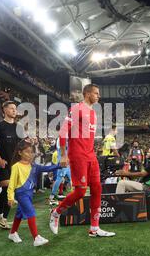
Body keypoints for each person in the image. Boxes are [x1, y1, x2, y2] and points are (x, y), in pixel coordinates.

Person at [49, 84, 115, 238]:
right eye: (96, 93)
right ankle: (56, 212)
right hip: (77, 155)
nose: (99, 96)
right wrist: (64, 155)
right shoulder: (76, 109)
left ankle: (94, 228)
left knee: (97, 187)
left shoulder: (93, 113)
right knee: (80, 191)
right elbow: (63, 131)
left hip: (91, 154)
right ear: (87, 94)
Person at [7, 140, 60, 246]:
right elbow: (12, 184)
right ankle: (36, 238)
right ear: (20, 152)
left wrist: (60, 165)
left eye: (31, 152)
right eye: (27, 151)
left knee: (19, 213)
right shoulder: (16, 166)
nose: (30, 154)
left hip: (29, 193)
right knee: (31, 212)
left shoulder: (34, 166)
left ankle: (12, 233)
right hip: (21, 194)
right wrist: (10, 197)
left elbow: (48, 167)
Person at [0, 101, 23, 229]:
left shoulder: (18, 127)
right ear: (4, 110)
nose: (14, 110)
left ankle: (3, 218)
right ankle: (0, 214)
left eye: (15, 108)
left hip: (15, 163)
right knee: (7, 187)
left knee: (11, 190)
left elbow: (21, 146)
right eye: (11, 108)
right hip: (3, 162)